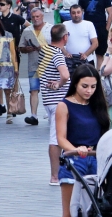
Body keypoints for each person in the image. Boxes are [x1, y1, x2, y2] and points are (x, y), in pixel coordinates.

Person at [56, 64, 110, 217]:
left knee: (96, 210)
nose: (89, 91)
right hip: (74, 158)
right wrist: (76, 149)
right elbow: (61, 138)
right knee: (69, 212)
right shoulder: (64, 105)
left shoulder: (97, 104)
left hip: (95, 157)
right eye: (85, 86)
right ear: (75, 84)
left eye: (93, 87)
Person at [40, 23, 72, 185]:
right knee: (55, 138)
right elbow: (65, 75)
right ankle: (54, 176)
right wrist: (60, 84)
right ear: (64, 37)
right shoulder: (58, 54)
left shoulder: (45, 51)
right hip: (58, 100)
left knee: (59, 136)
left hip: (48, 99)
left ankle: (61, 171)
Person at [79, 0, 112, 68]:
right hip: (87, 29)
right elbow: (79, 13)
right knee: (87, 54)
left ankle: (99, 77)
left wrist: (106, 29)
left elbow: (110, 13)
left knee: (100, 54)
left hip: (101, 28)